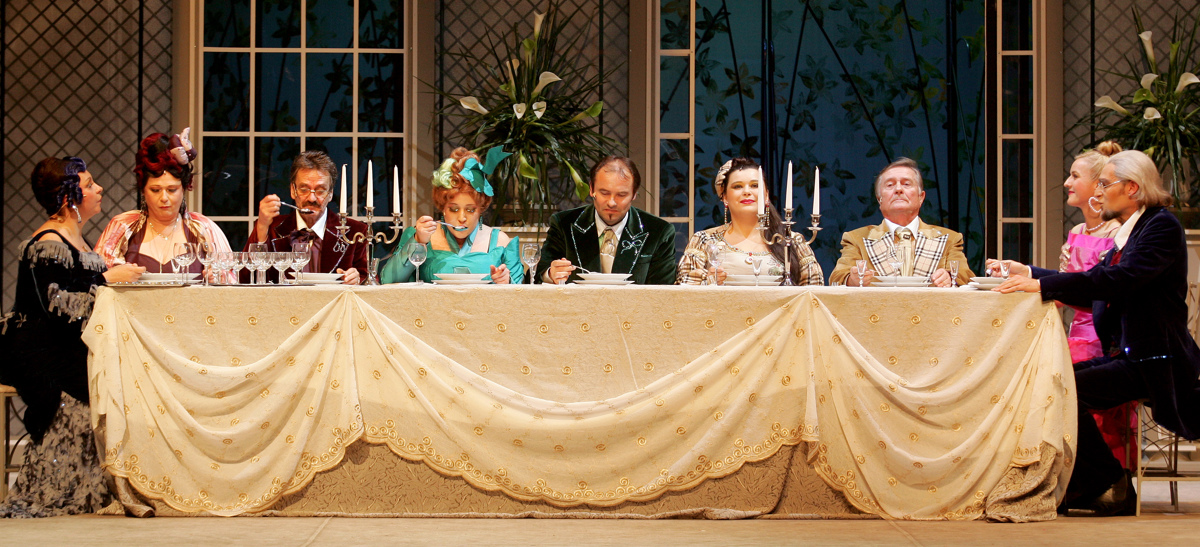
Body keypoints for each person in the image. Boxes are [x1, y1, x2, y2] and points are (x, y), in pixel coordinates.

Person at [996, 150, 1200, 516]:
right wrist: (1031, 274)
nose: (1099, 192)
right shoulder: (1134, 230)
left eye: (1105, 184)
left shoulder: (1161, 226)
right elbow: (1098, 285)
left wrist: (1044, 286)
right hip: (1131, 356)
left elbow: (1118, 280)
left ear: (1132, 188)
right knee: (1052, 383)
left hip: (1155, 361)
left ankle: (1108, 484)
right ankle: (1101, 483)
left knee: (1064, 390)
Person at [0, 157, 144, 518]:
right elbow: (57, 306)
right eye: (90, 184)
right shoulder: (47, 243)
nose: (99, 189)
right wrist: (107, 280)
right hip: (41, 349)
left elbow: (80, 287)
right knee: (99, 382)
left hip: (66, 344)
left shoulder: (75, 238)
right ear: (69, 198)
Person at [986, 142, 1134, 467]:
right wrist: (1023, 272)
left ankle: (1103, 476)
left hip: (1101, 337)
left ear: (1098, 186)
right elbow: (1067, 284)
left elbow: (1095, 289)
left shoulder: (1118, 234)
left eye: (1075, 176)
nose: (1067, 182)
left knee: (1065, 391)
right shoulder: (1078, 230)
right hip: (1075, 333)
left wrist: (1038, 283)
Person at [95, 129, 233, 280]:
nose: (164, 198)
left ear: (184, 189)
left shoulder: (204, 228)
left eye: (172, 190)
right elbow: (97, 280)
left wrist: (219, 279)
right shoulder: (123, 226)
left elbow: (231, 281)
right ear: (143, 191)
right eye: (155, 190)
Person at [380, 146, 523, 284]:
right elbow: (388, 280)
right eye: (454, 209)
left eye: (470, 210)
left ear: (481, 209)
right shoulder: (420, 235)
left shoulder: (500, 241)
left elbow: (520, 293)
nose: (462, 218)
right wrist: (418, 241)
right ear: (442, 207)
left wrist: (506, 281)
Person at [676, 158, 823, 285]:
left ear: (766, 196)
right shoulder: (705, 240)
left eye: (755, 185)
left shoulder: (791, 241)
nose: (747, 192)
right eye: (737, 186)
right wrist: (708, 281)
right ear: (724, 197)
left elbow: (814, 290)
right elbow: (682, 290)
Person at [828, 157, 973, 287]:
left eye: (906, 184)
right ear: (879, 199)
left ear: (921, 197)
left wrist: (949, 277)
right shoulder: (857, 239)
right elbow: (837, 278)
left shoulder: (949, 239)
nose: (898, 189)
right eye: (890, 185)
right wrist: (851, 280)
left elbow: (966, 277)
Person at [536, 156, 677, 285]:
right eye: (604, 193)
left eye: (621, 195)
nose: (611, 203)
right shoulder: (564, 223)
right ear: (591, 189)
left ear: (634, 194)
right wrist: (550, 274)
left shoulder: (659, 232)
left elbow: (663, 291)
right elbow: (538, 275)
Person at [244, 150, 367, 284]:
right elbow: (245, 278)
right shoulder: (271, 227)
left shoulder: (355, 231)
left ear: (330, 194)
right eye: (304, 189)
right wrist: (262, 226)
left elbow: (369, 279)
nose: (311, 198)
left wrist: (358, 279)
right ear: (293, 190)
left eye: (320, 190)